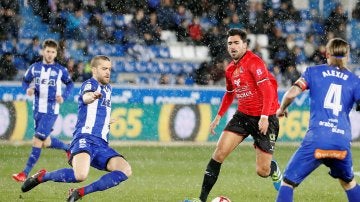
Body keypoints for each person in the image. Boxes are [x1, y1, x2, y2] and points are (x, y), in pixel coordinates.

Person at [21, 55, 132, 202]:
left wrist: (106, 121)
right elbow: (86, 97)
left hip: (102, 144)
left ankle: (80, 192)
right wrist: (91, 96)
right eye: (104, 69)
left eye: (109, 69)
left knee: (125, 170)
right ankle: (42, 176)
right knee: (80, 175)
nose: (108, 72)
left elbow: (98, 112)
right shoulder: (89, 84)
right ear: (94, 70)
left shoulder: (108, 89)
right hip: (85, 138)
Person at [198, 28, 282, 202]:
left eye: (236, 43)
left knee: (262, 171)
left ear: (245, 45)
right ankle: (201, 199)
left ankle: (272, 168)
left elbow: (267, 90)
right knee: (219, 154)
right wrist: (218, 117)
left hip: (264, 117)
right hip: (242, 116)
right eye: (230, 43)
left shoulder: (255, 62)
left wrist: (265, 116)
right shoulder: (229, 70)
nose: (233, 47)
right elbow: (229, 93)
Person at [275, 38, 360, 202]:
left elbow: (291, 93)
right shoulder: (355, 81)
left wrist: (282, 109)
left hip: (317, 141)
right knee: (348, 183)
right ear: (347, 56)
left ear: (326, 53)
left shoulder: (313, 72)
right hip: (340, 143)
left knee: (288, 182)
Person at [12, 39, 74, 182]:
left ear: (56, 53)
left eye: (53, 52)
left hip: (51, 109)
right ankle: (67, 147)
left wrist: (63, 97)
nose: (50, 54)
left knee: (37, 140)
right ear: (43, 51)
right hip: (37, 109)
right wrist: (27, 89)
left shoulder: (60, 70)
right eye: (48, 51)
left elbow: (70, 84)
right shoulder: (35, 68)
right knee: (45, 142)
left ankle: (24, 173)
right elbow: (24, 81)